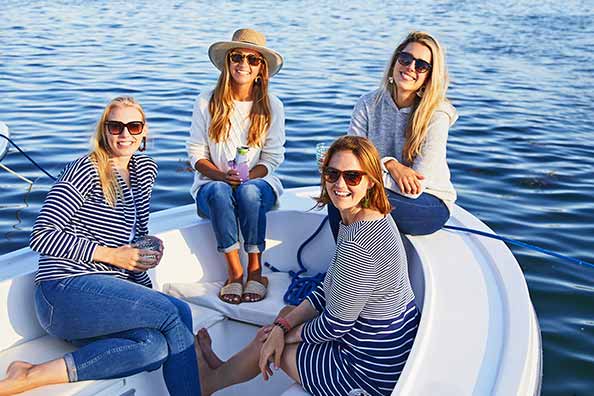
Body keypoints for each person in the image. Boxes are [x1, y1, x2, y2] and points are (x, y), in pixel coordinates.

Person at [0, 97, 200, 396]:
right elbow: (41, 234)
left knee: (154, 347)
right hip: (64, 292)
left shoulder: (144, 171)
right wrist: (111, 255)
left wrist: (145, 253)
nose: (125, 134)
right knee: (177, 311)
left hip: (106, 299)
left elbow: (135, 239)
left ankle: (29, 374)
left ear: (144, 132)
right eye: (115, 126)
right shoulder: (85, 170)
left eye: (133, 126)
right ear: (104, 131)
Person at [194, 136, 420, 396]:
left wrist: (281, 335)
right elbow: (329, 287)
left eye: (353, 177)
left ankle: (208, 384)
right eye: (332, 174)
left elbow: (335, 326)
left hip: (368, 373)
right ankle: (221, 370)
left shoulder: (360, 245)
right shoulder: (367, 218)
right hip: (383, 347)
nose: (340, 185)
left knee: (270, 338)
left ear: (371, 181)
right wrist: (283, 326)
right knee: (285, 316)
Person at [186, 28, 285, 305]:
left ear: (260, 69)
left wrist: (247, 177)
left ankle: (256, 269)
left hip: (257, 185)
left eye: (253, 60)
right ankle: (234, 271)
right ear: (228, 62)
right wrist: (220, 175)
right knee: (218, 190)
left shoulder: (272, 106)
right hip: (212, 187)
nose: (244, 64)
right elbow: (195, 153)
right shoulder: (207, 101)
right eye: (238, 57)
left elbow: (272, 158)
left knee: (250, 192)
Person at [328, 31, 458, 238]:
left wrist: (367, 173)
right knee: (339, 191)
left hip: (428, 202)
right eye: (405, 59)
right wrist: (390, 164)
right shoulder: (368, 104)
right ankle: (345, 266)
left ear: (429, 76)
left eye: (421, 65)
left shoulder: (436, 115)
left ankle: (361, 268)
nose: (410, 67)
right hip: (380, 188)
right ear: (395, 61)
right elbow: (350, 160)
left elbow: (415, 187)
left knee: (352, 194)